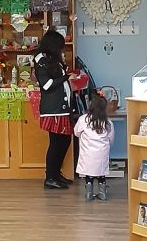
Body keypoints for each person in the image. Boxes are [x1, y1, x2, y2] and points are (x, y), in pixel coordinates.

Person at [34, 30, 74, 189]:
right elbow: (47, 85)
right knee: (57, 142)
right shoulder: (41, 59)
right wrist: (66, 77)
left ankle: (56, 174)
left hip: (62, 108)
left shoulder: (52, 59)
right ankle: (50, 177)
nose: (62, 50)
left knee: (64, 140)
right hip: (54, 109)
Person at [74, 91, 114, 200]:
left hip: (87, 153)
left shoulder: (83, 119)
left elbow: (76, 132)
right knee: (101, 173)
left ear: (90, 104)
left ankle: (88, 194)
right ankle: (102, 193)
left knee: (89, 173)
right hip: (102, 153)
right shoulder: (108, 122)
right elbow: (111, 139)